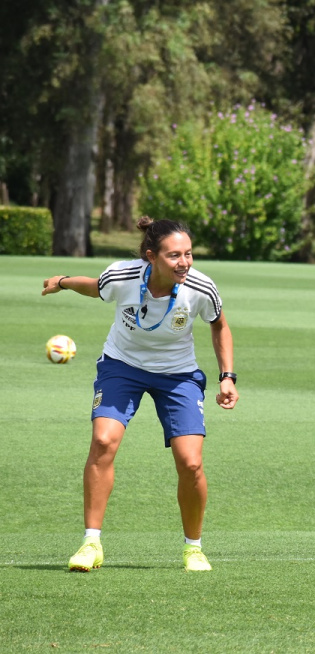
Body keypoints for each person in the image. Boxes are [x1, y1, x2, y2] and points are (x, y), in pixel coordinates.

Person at [42, 217, 239, 573]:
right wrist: (62, 282)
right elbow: (95, 287)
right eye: (175, 255)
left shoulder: (200, 286)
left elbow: (220, 326)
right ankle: (91, 543)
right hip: (122, 365)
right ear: (151, 256)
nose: (185, 262)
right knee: (103, 441)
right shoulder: (123, 276)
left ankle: (193, 548)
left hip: (178, 374)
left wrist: (228, 376)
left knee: (190, 462)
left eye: (189, 254)